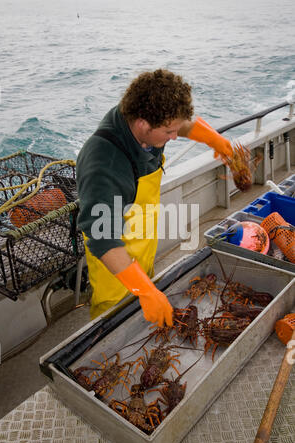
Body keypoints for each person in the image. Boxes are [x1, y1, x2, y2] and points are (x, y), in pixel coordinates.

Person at [76, 69, 233, 326]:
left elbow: (181, 125)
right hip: (113, 261)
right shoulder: (105, 164)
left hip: (141, 243)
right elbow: (103, 241)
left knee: (145, 306)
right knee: (113, 320)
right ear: (143, 124)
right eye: (169, 132)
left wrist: (215, 140)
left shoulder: (147, 120)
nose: (175, 137)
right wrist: (146, 291)